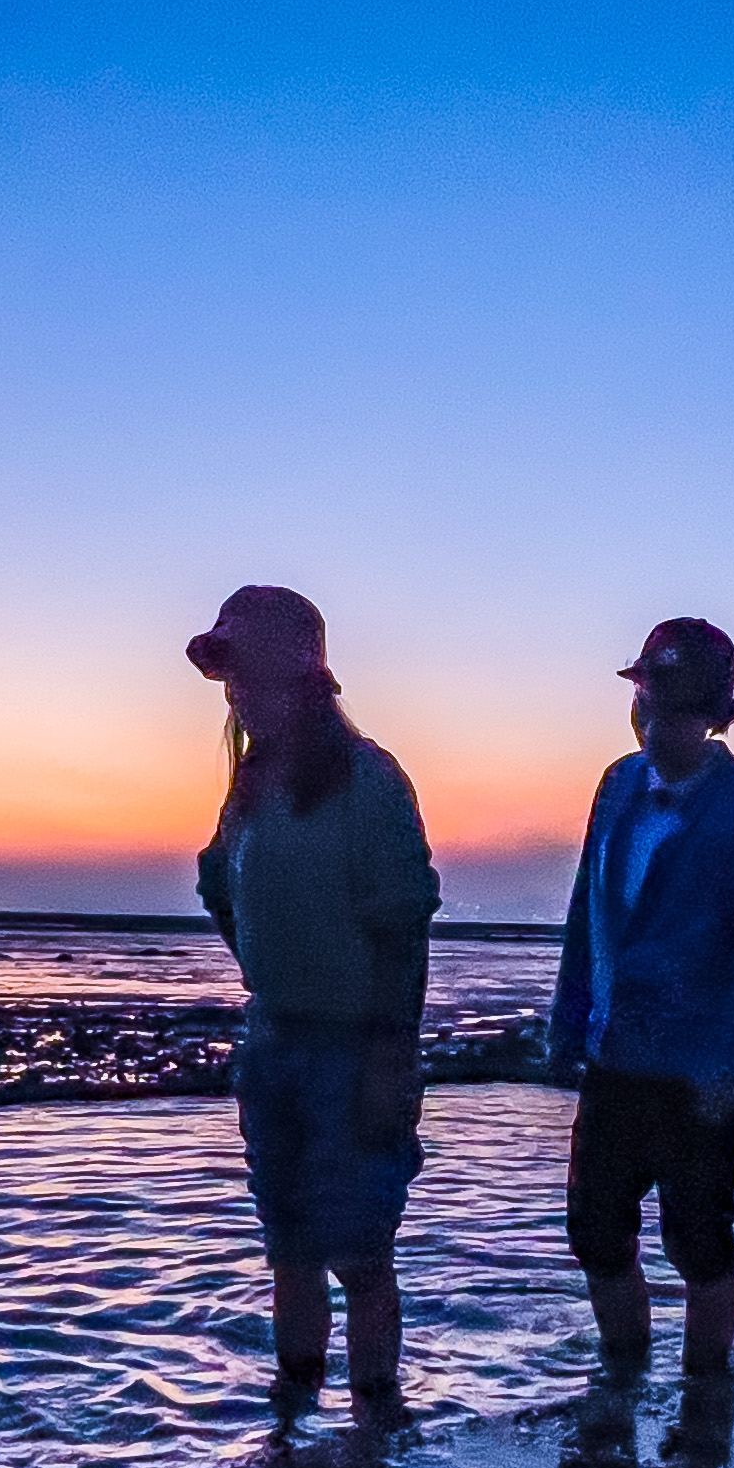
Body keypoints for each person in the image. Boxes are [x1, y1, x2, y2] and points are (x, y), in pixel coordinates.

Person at [187, 584, 443, 1411]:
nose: (237, 695)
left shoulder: (371, 782)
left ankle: (373, 1433)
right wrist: (269, 974)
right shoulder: (250, 786)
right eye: (230, 681)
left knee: (361, 1254)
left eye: (249, 676)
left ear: (299, 678)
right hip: (275, 1045)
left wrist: (386, 1063)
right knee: (289, 1247)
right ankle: (290, 1430)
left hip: (354, 1047)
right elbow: (218, 887)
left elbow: (403, 933)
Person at [546, 617, 734, 1383]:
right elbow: (588, 912)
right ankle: (622, 1377)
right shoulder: (616, 785)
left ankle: (702, 1394)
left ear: (716, 715)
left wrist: (729, 1057)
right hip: (615, 1055)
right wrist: (566, 1025)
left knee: (698, 1240)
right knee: (594, 1231)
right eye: (649, 701)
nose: (657, 721)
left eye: (679, 708)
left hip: (703, 1070)